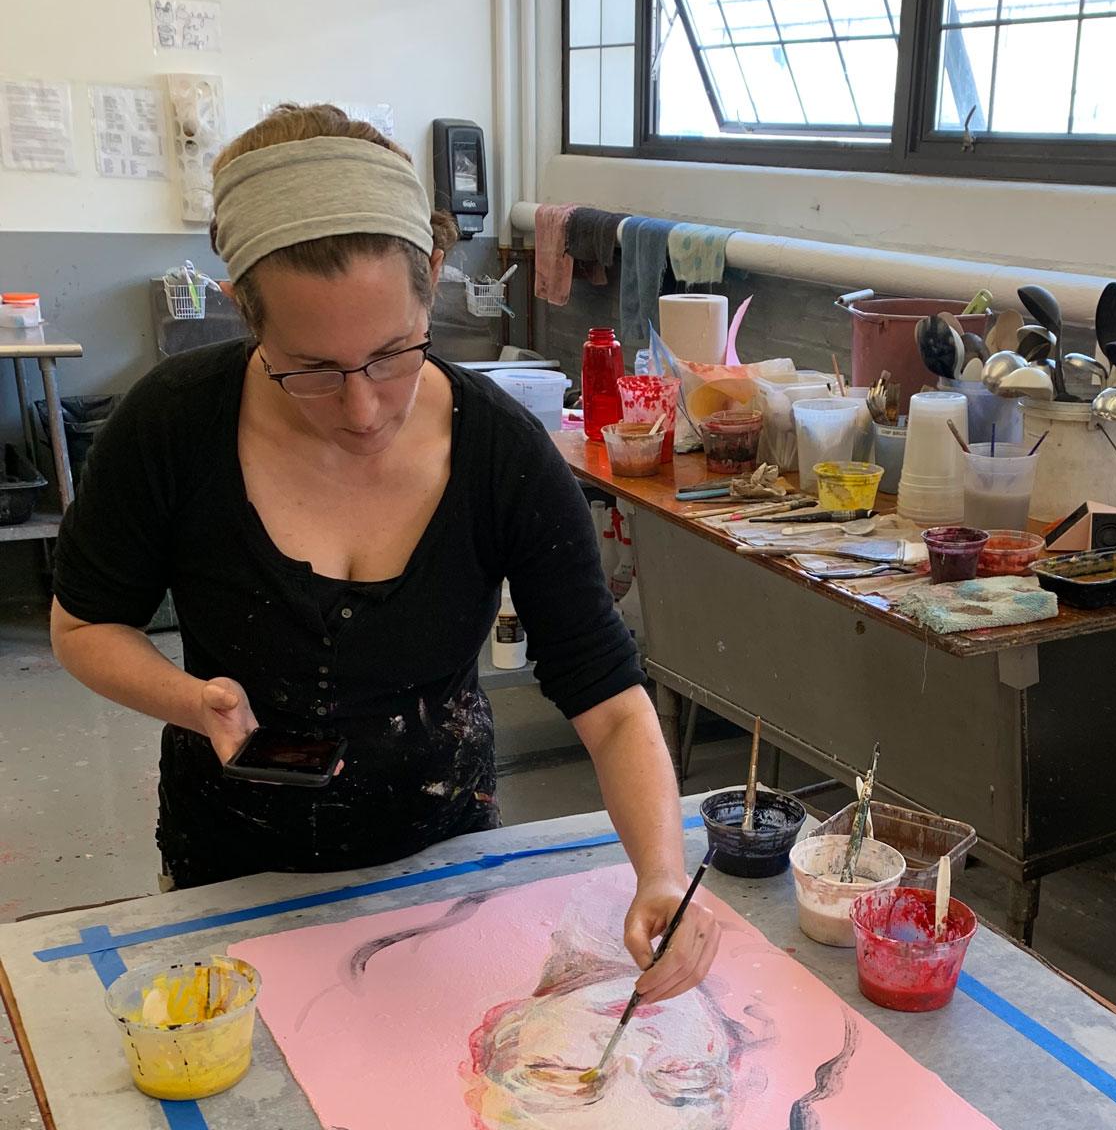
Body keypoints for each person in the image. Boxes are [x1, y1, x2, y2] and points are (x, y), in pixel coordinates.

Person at [50, 104, 717, 1002]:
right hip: (231, 870)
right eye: (312, 369)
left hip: (444, 867)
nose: (363, 410)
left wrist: (662, 874)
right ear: (245, 308)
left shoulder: (503, 457)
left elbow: (608, 699)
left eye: (395, 353)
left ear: (434, 276)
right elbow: (84, 624)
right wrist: (191, 700)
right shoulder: (170, 426)